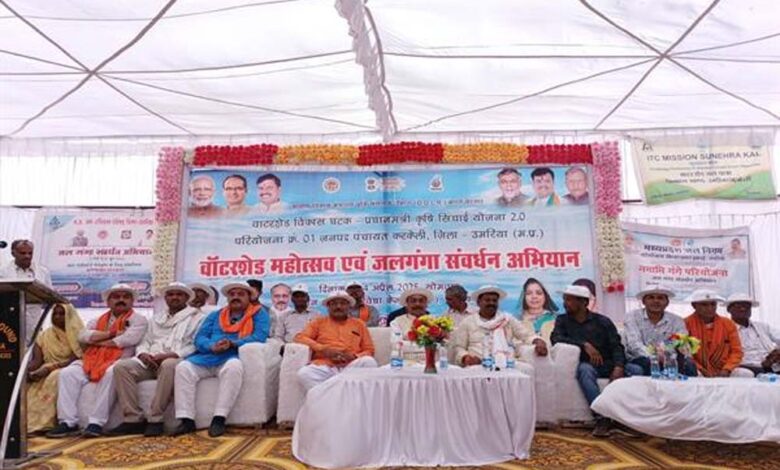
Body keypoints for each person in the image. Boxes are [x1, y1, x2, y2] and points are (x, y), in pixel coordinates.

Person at [47, 284, 148, 438]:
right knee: (67, 373)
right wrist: (112, 333)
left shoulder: (139, 320)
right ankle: (67, 422)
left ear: (132, 301)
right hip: (91, 360)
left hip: (119, 360)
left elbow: (126, 340)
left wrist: (97, 340)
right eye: (116, 297)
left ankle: (96, 423)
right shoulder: (97, 320)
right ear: (108, 301)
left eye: (125, 297)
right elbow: (83, 337)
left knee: (112, 372)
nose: (121, 300)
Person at [173, 282, 270, 437]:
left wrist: (233, 343)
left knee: (234, 367)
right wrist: (211, 346)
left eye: (240, 294)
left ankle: (219, 418)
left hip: (231, 355)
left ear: (249, 297)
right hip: (207, 356)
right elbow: (200, 338)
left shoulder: (259, 314)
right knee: (183, 368)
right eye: (232, 294)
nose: (236, 297)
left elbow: (259, 336)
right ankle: (186, 420)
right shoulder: (215, 315)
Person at [110, 282, 205, 437]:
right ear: (165, 298)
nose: (174, 297)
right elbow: (145, 341)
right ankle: (133, 419)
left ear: (187, 298)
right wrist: (143, 354)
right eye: (170, 294)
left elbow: (195, 344)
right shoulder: (155, 318)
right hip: (151, 361)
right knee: (122, 367)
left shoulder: (197, 318)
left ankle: (156, 419)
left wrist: (171, 355)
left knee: (168, 365)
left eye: (179, 294)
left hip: (176, 359)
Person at [551, 285, 639, 437]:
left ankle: (632, 418)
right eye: (565, 299)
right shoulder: (562, 320)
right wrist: (584, 344)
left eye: (569, 300)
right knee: (584, 370)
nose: (565, 303)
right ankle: (602, 417)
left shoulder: (603, 322)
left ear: (584, 303)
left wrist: (618, 367)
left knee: (637, 370)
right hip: (588, 365)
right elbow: (556, 338)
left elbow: (617, 346)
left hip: (609, 363)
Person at [295, 291, 377, 390]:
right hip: (325, 366)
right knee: (304, 374)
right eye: (334, 304)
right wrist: (323, 349)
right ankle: (334, 395)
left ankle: (333, 391)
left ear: (349, 306)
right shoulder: (318, 322)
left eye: (342, 303)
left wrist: (354, 356)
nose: (338, 306)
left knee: (369, 362)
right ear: (328, 307)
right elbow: (300, 338)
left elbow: (369, 349)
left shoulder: (359, 324)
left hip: (351, 366)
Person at [453, 286, 547, 369]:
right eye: (487, 300)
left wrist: (538, 342)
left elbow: (527, 335)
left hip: (506, 363)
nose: (491, 303)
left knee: (526, 369)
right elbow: (459, 347)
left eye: (494, 300)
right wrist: (466, 358)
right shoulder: (468, 322)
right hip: (477, 365)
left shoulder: (507, 319)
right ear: (479, 302)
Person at [26, 303, 84, 433]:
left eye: (62, 314)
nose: (57, 317)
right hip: (43, 370)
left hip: (69, 368)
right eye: (55, 314)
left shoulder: (79, 334)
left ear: (70, 316)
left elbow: (77, 357)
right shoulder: (44, 336)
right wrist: (26, 371)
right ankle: (26, 422)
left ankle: (46, 423)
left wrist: (49, 369)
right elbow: (36, 361)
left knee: (55, 376)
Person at [623, 285, 697, 376]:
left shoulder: (677, 320)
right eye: (651, 297)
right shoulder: (632, 317)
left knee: (689, 365)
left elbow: (681, 341)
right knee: (648, 364)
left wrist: (666, 354)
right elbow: (634, 345)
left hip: (669, 358)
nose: (656, 301)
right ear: (643, 301)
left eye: (660, 298)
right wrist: (655, 356)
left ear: (667, 302)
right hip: (640, 358)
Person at [684, 289, 745, 377]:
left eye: (713, 304)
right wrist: (701, 369)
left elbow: (737, 352)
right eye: (704, 305)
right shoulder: (685, 324)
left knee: (745, 374)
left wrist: (727, 369)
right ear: (694, 305)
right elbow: (685, 354)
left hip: (724, 368)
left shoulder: (728, 323)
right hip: (698, 369)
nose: (709, 308)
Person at [0, 239, 53, 342]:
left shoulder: (43, 272)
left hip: (35, 321)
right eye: (23, 253)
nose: (27, 256)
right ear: (13, 253)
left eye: (30, 253)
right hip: (9, 320)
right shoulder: (3, 272)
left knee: (34, 348)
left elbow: (50, 295)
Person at [726, 293, 780, 376]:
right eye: (738, 306)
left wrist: (777, 352)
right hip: (745, 367)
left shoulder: (762, 326)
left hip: (772, 365)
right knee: (745, 373)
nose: (743, 308)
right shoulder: (725, 329)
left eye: (747, 306)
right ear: (729, 309)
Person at [390, 288, 435, 362]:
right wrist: (427, 346)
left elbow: (441, 344)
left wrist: (408, 345)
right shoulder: (397, 322)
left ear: (426, 304)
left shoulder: (435, 321)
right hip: (405, 362)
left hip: (432, 362)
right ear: (406, 304)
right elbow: (396, 344)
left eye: (421, 301)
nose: (417, 304)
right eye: (413, 301)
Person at [518, 278, 558, 343]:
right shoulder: (517, 320)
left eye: (539, 293)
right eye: (529, 293)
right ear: (524, 297)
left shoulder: (556, 319)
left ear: (545, 296)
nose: (534, 296)